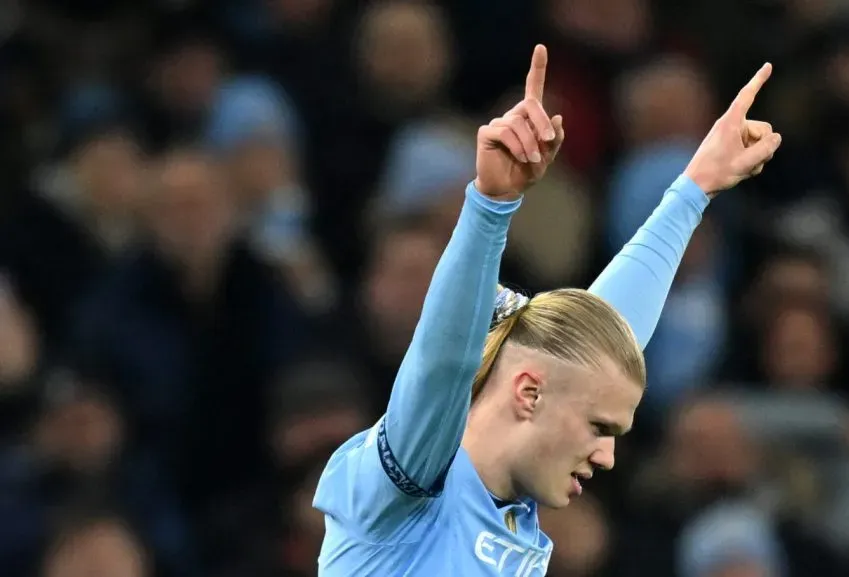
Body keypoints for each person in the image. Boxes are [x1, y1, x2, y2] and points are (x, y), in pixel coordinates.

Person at [313, 44, 782, 576]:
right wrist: (490, 207)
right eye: (598, 427)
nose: (606, 457)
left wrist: (693, 191)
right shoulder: (412, 486)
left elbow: (604, 337)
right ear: (528, 391)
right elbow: (441, 364)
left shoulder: (515, 510)